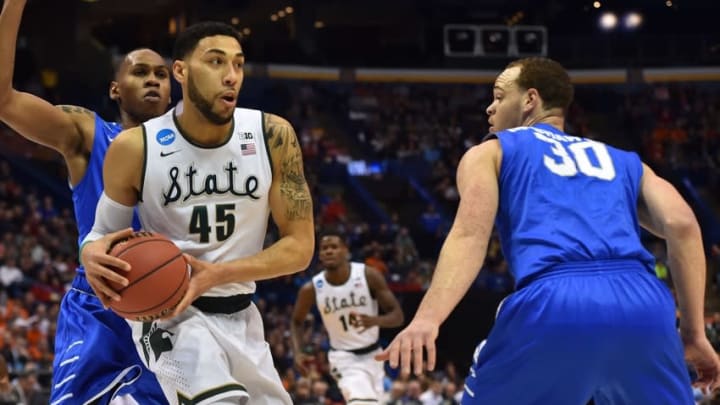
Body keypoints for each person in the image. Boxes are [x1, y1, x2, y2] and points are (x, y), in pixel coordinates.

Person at [376, 57, 720, 404]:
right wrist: (693, 334)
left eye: (498, 96)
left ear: (530, 100)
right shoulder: (624, 160)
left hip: (557, 299)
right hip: (645, 304)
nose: (489, 107)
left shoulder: (490, 153)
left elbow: (469, 235)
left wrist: (427, 318)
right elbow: (683, 225)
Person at [80, 21, 314, 404]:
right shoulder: (136, 147)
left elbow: (300, 248)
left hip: (242, 315)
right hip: (168, 316)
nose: (231, 76)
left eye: (238, 64)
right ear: (181, 71)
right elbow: (101, 234)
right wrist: (89, 252)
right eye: (216, 62)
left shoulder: (273, 136)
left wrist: (219, 275)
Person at [0, 0, 171, 403]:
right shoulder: (89, 133)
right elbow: (4, 101)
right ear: (116, 88)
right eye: (140, 71)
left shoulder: (195, 154)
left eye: (161, 74)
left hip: (169, 306)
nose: (153, 80)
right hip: (98, 308)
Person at [291, 231, 404, 404]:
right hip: (343, 358)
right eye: (324, 248)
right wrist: (298, 351)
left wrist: (375, 321)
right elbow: (296, 321)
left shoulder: (368, 275)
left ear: (345, 250)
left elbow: (397, 316)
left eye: (334, 247)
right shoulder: (311, 288)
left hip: (374, 355)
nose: (329, 251)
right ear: (320, 255)